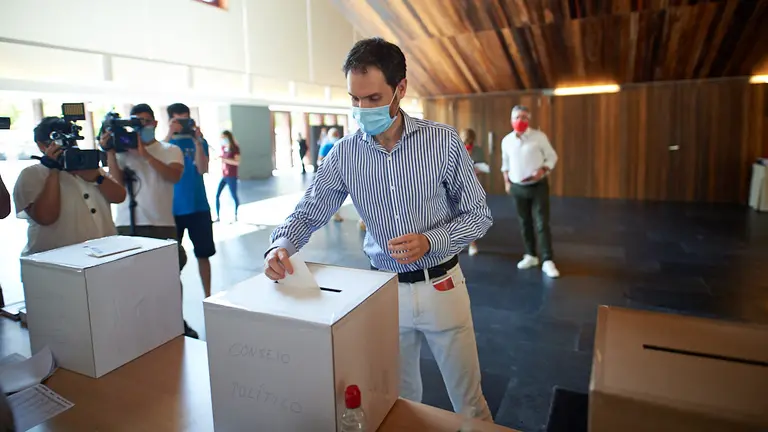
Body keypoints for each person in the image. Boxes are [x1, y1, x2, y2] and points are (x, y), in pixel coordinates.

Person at [264, 37, 494, 422]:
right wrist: (281, 245)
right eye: (354, 99)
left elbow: (478, 215)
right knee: (398, 401)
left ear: (400, 89)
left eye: (372, 99)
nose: (361, 109)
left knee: (469, 403)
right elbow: (311, 209)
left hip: (443, 286)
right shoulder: (345, 154)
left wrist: (431, 240)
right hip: (384, 292)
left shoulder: (443, 142)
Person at [105, 103, 199, 338]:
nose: (141, 126)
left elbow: (173, 176)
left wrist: (144, 155)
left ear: (155, 123)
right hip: (128, 224)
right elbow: (116, 186)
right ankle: (138, 327)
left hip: (161, 224)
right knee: (131, 282)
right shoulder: (122, 153)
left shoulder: (169, 149)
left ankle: (175, 322)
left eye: (145, 121)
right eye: (136, 121)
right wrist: (109, 152)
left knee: (168, 279)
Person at [13, 117, 125, 257]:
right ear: (41, 145)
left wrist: (97, 177)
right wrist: (53, 169)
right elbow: (46, 217)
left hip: (102, 255)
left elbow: (120, 197)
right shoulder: (32, 174)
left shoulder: (88, 166)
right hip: (54, 261)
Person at [501, 105, 560, 278]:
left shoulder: (539, 137)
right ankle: (530, 255)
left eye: (524, 117)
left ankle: (548, 260)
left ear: (529, 120)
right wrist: (506, 182)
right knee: (524, 222)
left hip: (538, 186)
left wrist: (543, 169)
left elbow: (552, 156)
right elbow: (505, 163)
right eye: (517, 117)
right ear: (511, 120)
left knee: (542, 223)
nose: (521, 121)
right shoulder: (507, 140)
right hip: (518, 187)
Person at [165, 103, 216, 299]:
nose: (183, 125)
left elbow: (202, 169)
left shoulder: (198, 142)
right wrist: (170, 134)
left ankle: (208, 297)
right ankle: (174, 306)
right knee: (173, 261)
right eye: (178, 121)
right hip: (173, 209)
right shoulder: (166, 144)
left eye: (186, 120)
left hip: (199, 206)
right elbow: (157, 155)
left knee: (204, 255)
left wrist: (197, 141)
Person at [461, 128, 482, 256]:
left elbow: (484, 166)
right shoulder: (453, 147)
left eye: (469, 142)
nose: (467, 144)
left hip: (471, 186)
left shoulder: (477, 151)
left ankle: (472, 243)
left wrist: (476, 169)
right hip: (455, 185)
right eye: (465, 141)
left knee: (469, 215)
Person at [318, 128, 344, 222]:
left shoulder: (341, 145)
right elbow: (320, 159)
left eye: (337, 134)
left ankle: (336, 214)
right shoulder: (326, 146)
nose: (336, 136)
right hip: (329, 174)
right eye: (334, 134)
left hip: (341, 175)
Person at [214, 130, 240, 223]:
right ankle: (218, 216)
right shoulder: (223, 148)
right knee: (217, 195)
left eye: (224, 138)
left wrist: (225, 159)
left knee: (234, 195)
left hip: (232, 176)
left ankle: (236, 215)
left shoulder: (235, 148)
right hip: (224, 175)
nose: (223, 140)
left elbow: (237, 162)